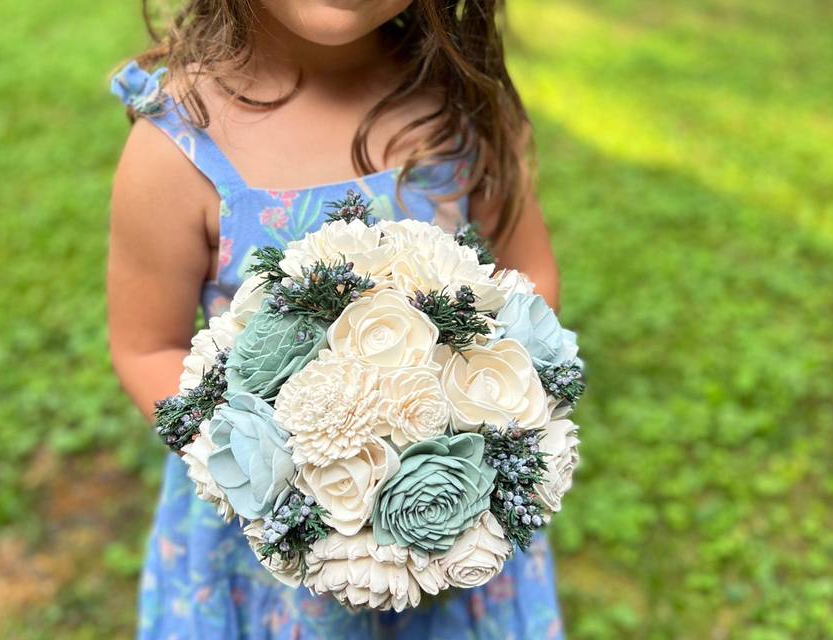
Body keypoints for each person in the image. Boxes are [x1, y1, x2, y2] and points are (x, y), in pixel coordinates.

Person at [108, 1, 564, 638]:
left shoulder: (457, 106)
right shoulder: (180, 148)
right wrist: (290, 489)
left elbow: (529, 277)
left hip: (450, 524)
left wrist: (477, 406)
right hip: (263, 546)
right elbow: (146, 347)